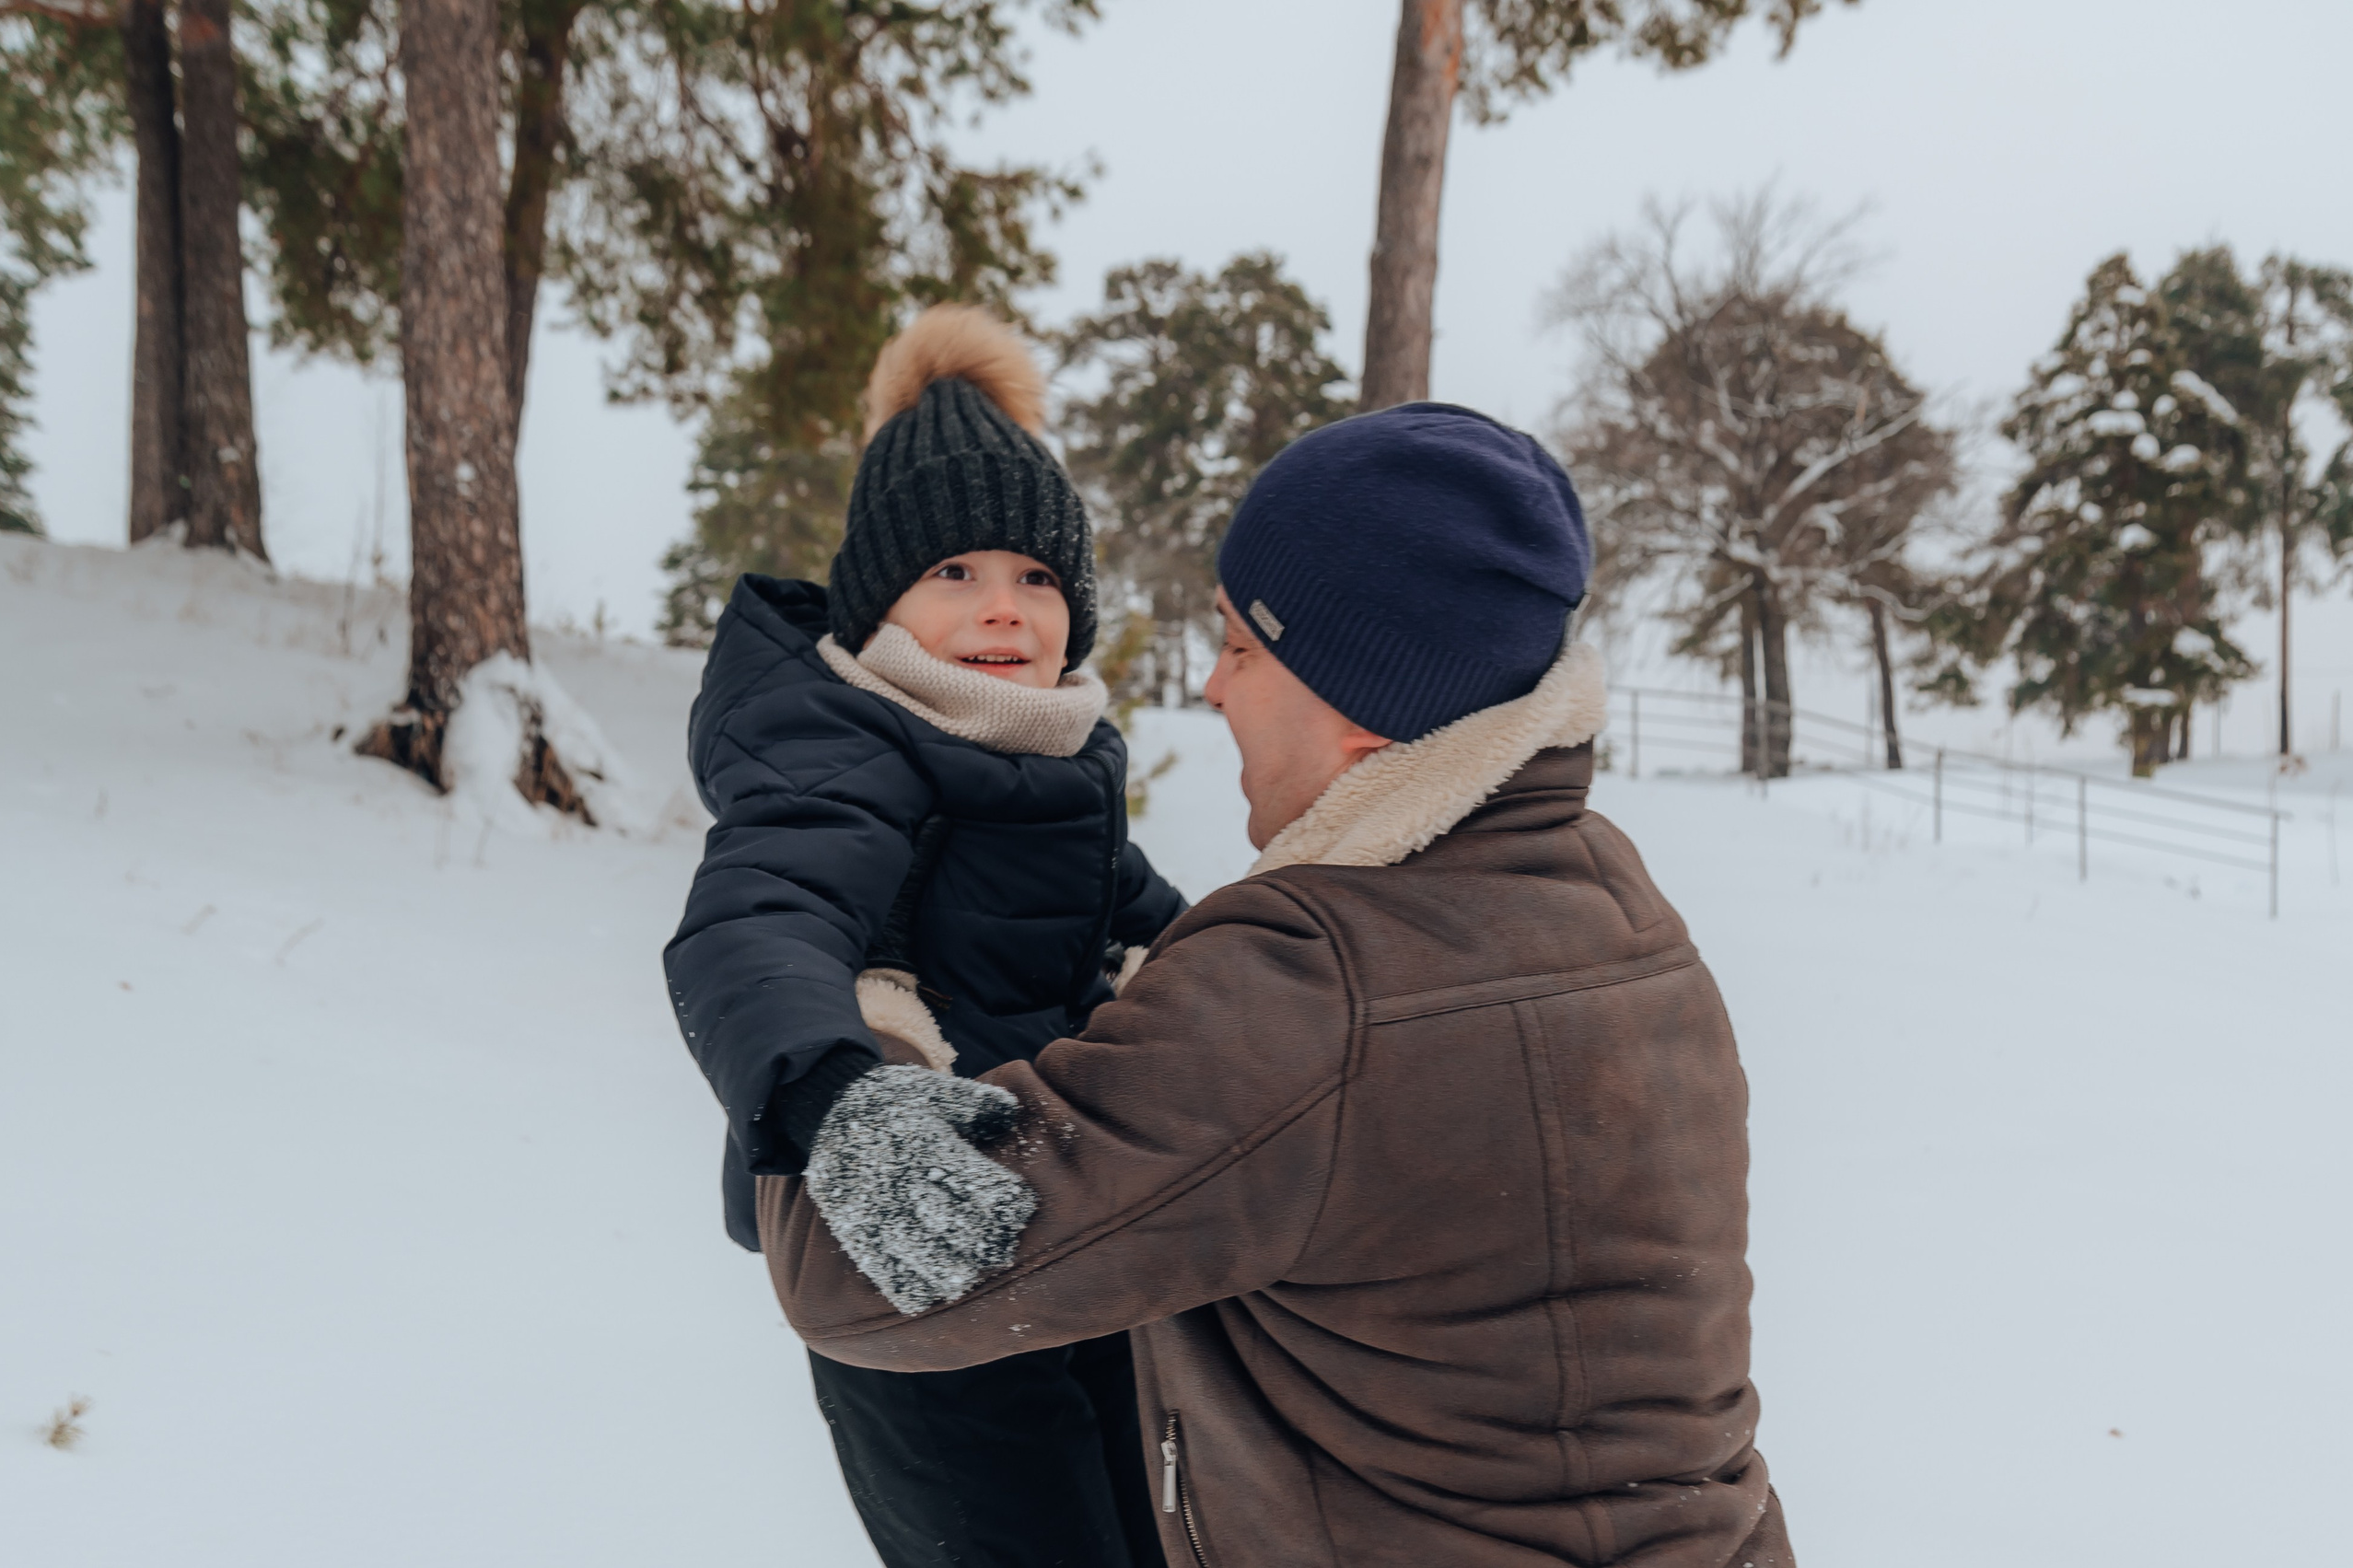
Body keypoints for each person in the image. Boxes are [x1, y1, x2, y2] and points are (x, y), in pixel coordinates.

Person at [757, 401, 1797, 1567]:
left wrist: (873, 1001)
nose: (1212, 685)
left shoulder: (1304, 992)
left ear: (1357, 700)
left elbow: (849, 1278)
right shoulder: (1623, 916)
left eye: (1241, 646)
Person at [665, 306, 1186, 1568]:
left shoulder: (1058, 756)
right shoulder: (840, 745)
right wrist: (833, 1094)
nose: (1003, 607)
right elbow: (761, 914)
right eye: (955, 571)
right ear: (879, 600)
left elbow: (1155, 924)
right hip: (906, 1245)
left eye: (1036, 576)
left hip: (1070, 1225)